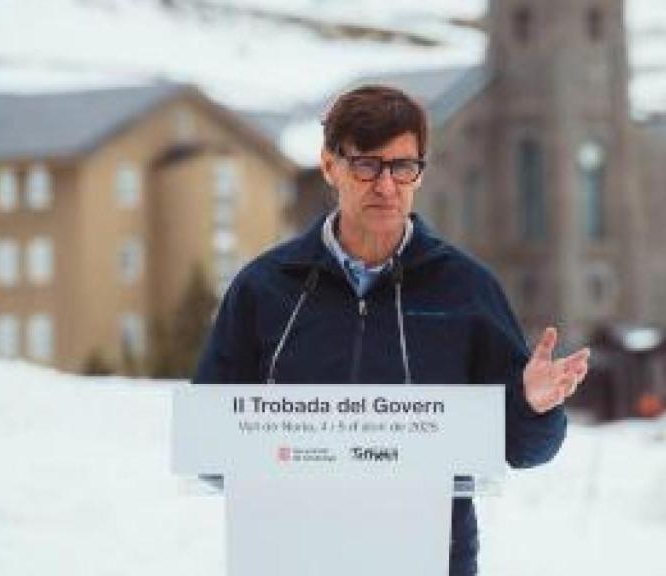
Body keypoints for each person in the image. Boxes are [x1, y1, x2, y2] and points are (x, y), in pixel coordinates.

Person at [196, 85, 590, 576]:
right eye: (366, 164)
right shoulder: (265, 287)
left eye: (403, 166)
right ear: (329, 166)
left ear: (419, 173)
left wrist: (533, 408)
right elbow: (209, 442)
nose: (385, 185)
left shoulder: (466, 289)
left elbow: (524, 450)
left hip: (427, 561)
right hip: (293, 557)